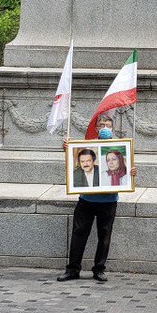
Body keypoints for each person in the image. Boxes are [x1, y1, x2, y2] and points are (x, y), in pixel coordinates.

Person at [57, 115, 136, 283]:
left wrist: (132, 173)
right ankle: (73, 269)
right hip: (87, 200)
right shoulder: (88, 146)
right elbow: (74, 164)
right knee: (79, 234)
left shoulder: (120, 148)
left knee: (104, 236)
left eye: (107, 125)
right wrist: (67, 149)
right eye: (101, 125)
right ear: (97, 128)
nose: (104, 127)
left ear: (112, 128)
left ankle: (99, 269)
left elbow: (125, 171)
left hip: (108, 201)